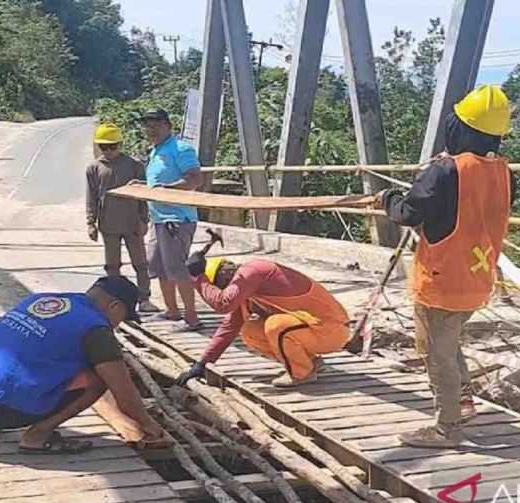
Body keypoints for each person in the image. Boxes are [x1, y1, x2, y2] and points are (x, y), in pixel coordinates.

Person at [376, 85, 515, 448]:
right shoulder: (502, 171)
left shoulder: (443, 171)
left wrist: (386, 199)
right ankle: (464, 401)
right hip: (477, 279)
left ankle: (447, 427)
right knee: (448, 343)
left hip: (441, 281)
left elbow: (409, 213)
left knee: (436, 355)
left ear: (459, 128)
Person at [0, 276, 171, 453]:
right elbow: (123, 392)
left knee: (5, 365)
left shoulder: (41, 299)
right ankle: (37, 437)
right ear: (114, 306)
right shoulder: (96, 329)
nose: (118, 324)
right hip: (2, 409)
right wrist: (148, 424)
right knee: (97, 379)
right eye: (122, 317)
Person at [175, 257, 350, 388]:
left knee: (275, 325)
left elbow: (223, 303)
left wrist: (199, 279)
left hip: (331, 329)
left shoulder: (254, 271)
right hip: (313, 330)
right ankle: (309, 363)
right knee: (250, 331)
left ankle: (302, 373)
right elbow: (228, 328)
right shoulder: (248, 290)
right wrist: (202, 363)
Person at [140, 108, 204, 331]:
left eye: (156, 124)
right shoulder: (156, 151)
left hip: (177, 218)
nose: (152, 129)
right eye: (148, 125)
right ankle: (172, 311)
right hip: (158, 218)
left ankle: (192, 318)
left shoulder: (181, 148)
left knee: (177, 268)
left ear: (169, 125)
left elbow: (195, 179)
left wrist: (167, 189)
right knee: (158, 265)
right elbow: (155, 184)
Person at [86, 123, 158, 313]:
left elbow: (144, 194)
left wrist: (144, 220)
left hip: (132, 224)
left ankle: (144, 298)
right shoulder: (94, 168)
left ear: (120, 144)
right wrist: (90, 223)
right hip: (108, 225)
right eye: (104, 147)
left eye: (113, 146)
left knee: (141, 264)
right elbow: (91, 197)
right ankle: (115, 301)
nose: (109, 151)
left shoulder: (134, 165)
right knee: (112, 266)